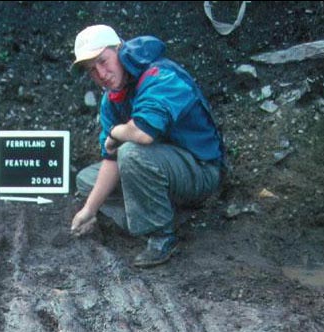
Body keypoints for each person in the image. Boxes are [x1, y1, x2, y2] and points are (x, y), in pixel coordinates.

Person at [70, 25, 225, 267]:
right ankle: (163, 213)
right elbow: (111, 159)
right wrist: (88, 211)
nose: (101, 73)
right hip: (156, 168)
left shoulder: (161, 76)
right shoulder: (111, 99)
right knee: (87, 181)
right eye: (92, 70)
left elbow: (142, 133)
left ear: (119, 50)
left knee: (131, 153)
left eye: (103, 61)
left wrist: (115, 132)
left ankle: (162, 236)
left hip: (200, 171)